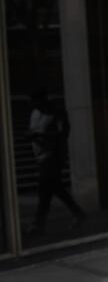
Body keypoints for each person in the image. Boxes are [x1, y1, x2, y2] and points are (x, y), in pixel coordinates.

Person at [26, 88, 85, 235]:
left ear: (44, 99)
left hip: (52, 157)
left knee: (44, 189)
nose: (34, 104)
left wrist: (38, 136)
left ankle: (38, 224)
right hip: (40, 157)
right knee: (55, 189)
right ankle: (79, 213)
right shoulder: (34, 114)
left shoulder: (56, 113)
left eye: (36, 100)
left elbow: (62, 134)